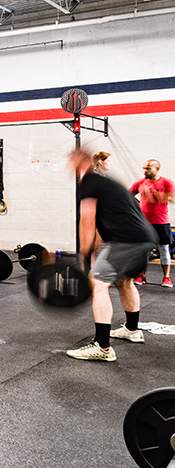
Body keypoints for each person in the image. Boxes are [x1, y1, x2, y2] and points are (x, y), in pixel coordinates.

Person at [66, 149, 158, 363]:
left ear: (83, 162)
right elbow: (101, 224)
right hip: (144, 237)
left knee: (98, 283)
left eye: (72, 160)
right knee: (124, 281)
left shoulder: (88, 183)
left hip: (126, 239)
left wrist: (84, 256)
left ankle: (102, 346)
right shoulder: (107, 184)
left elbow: (87, 221)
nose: (69, 164)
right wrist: (96, 251)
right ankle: (132, 330)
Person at [129, 159, 174, 288]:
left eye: (148, 168)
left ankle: (166, 278)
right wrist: (138, 205)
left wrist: (159, 197)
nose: (145, 171)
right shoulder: (140, 183)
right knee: (143, 250)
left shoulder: (166, 182)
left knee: (164, 249)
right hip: (144, 222)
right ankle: (141, 276)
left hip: (161, 221)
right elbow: (128, 195)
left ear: (157, 169)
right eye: (144, 168)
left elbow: (173, 197)